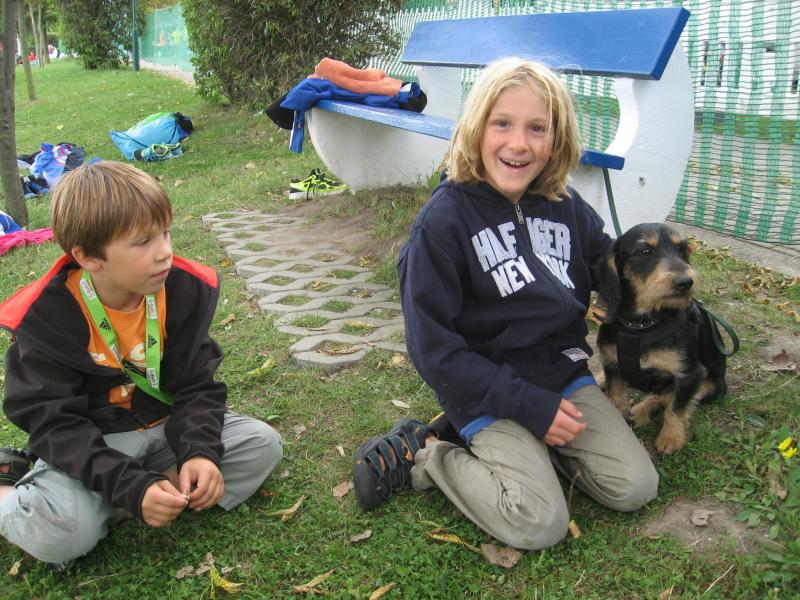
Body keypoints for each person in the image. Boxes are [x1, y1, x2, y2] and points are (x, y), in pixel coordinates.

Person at [351, 57, 658, 550]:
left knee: (636, 487)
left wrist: (660, 283)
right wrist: (527, 407)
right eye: (502, 124)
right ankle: (428, 452)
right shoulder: (442, 224)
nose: (519, 144)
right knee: (539, 522)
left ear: (557, 139)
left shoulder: (564, 203)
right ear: (476, 128)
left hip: (560, 375)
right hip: (486, 390)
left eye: (538, 128)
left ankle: (537, 451)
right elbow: (434, 351)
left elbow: (608, 264)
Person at [0, 162, 283, 568]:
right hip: (100, 443)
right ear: (89, 256)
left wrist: (199, 451)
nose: (165, 251)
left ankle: (142, 495)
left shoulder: (181, 290)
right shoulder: (46, 318)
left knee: (261, 444)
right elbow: (55, 426)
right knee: (60, 534)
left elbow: (197, 386)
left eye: (165, 232)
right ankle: (10, 489)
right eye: (143, 241)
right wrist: (128, 483)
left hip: (166, 431)